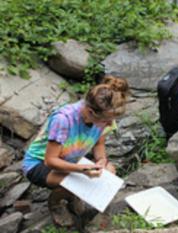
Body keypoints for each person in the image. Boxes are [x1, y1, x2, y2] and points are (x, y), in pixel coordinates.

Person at [22, 74, 129, 226]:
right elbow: (50, 160)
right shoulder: (64, 119)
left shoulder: (104, 118)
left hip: (70, 159)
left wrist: (101, 160)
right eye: (106, 120)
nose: (110, 123)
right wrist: (81, 169)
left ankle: (72, 194)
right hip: (38, 164)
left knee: (109, 171)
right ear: (91, 112)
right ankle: (56, 202)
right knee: (79, 181)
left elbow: (99, 144)